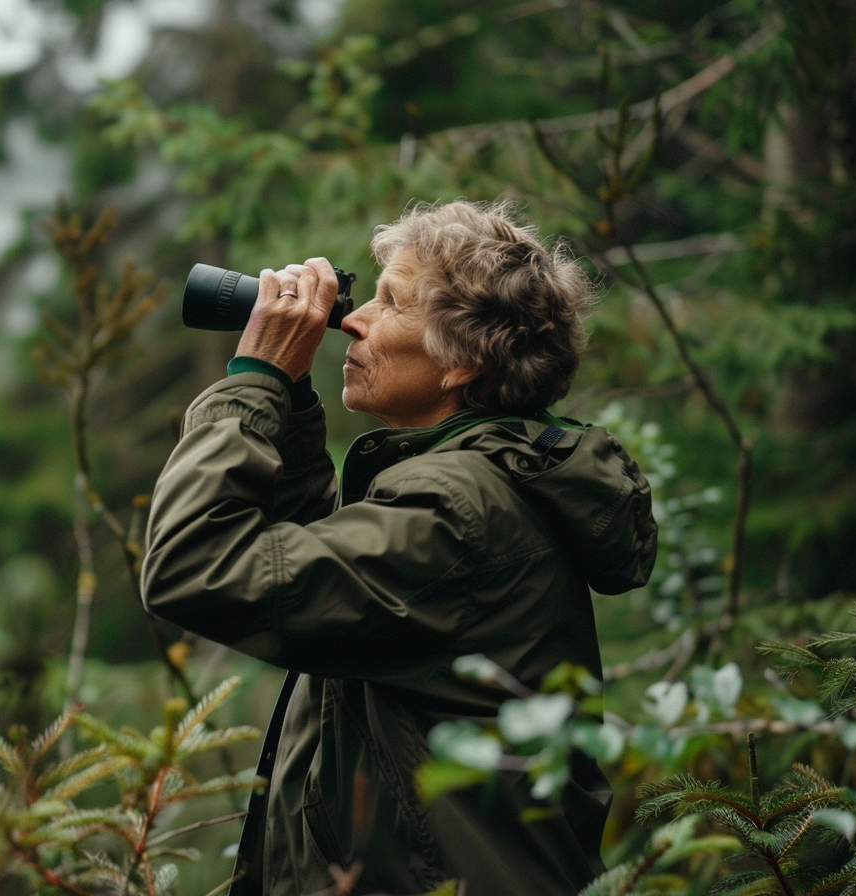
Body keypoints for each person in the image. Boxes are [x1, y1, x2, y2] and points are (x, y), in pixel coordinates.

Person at [140, 200, 658, 896]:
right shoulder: (480, 486)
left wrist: (253, 380)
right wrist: (290, 399)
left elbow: (195, 568)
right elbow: (320, 572)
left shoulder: (456, 509)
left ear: (461, 363)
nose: (352, 320)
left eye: (390, 303)